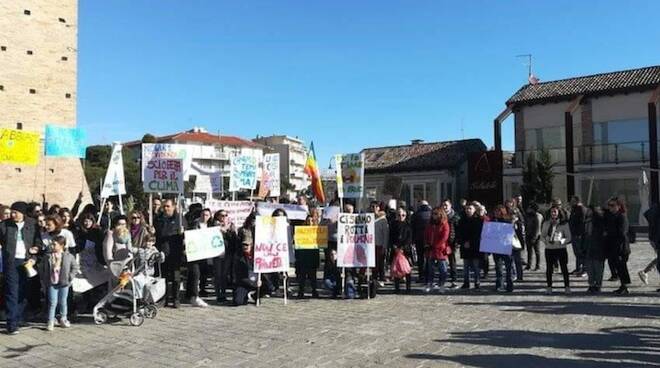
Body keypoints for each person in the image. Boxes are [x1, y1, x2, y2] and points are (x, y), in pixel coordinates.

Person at [0, 202, 43, 335]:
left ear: (22, 213)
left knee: (23, 292)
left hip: (27, 261)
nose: (13, 215)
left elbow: (38, 242)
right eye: (12, 212)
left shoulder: (32, 224)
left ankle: (17, 318)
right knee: (12, 291)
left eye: (15, 212)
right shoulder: (4, 225)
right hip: (11, 262)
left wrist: (36, 249)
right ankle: (12, 323)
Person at [38, 235, 78, 331]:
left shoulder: (68, 256)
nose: (52, 246)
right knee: (52, 302)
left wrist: (70, 277)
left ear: (62, 245)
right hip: (51, 282)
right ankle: (50, 320)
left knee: (63, 302)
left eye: (54, 244)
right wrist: (43, 278)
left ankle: (63, 318)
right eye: (52, 244)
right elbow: (42, 268)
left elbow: (75, 267)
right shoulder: (48, 256)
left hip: (64, 282)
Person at [154, 199, 184, 308]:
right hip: (163, 252)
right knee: (163, 277)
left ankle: (176, 299)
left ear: (174, 207)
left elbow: (187, 235)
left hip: (175, 252)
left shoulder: (179, 219)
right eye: (164, 206)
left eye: (168, 206)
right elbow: (157, 234)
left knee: (176, 277)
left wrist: (182, 232)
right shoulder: (159, 219)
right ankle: (164, 298)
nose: (166, 208)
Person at [541, 206, 572, 294]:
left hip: (560, 248)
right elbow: (542, 236)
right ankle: (549, 287)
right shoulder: (546, 223)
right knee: (549, 269)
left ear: (559, 213)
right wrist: (546, 241)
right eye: (552, 212)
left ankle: (567, 287)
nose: (553, 214)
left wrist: (561, 241)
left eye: (555, 212)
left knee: (564, 268)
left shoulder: (564, 224)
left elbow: (569, 237)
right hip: (549, 249)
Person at [185, 208, 211, 308]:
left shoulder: (211, 225)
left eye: (207, 215)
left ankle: (189, 294)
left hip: (205, 254)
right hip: (195, 254)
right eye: (203, 214)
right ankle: (194, 296)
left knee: (200, 274)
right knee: (195, 274)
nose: (205, 216)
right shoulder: (194, 224)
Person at [604, 197, 631, 294]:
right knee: (618, 267)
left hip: (621, 247)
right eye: (609, 205)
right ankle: (623, 285)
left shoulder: (621, 216)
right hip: (613, 247)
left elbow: (622, 233)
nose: (610, 207)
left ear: (619, 206)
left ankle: (625, 286)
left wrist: (609, 233)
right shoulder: (611, 216)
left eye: (612, 205)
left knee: (622, 267)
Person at [212, 209, 239, 303]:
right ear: (217, 216)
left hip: (228, 253)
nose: (224, 217)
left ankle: (223, 293)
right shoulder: (214, 225)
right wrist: (222, 228)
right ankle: (218, 294)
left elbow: (235, 238)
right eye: (221, 215)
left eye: (226, 215)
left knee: (224, 275)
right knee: (218, 274)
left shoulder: (231, 226)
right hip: (218, 253)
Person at [424, 207, 450, 293]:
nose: (434, 216)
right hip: (430, 250)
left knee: (442, 269)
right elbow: (426, 234)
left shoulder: (444, 224)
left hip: (440, 250)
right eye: (433, 214)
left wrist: (435, 245)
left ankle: (441, 285)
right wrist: (427, 244)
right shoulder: (430, 224)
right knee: (430, 269)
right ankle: (429, 283)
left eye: (436, 214)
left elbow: (444, 237)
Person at [457, 202, 483, 289]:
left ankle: (477, 282)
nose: (468, 210)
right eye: (467, 208)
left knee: (476, 266)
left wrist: (470, 242)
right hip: (465, 246)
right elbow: (459, 233)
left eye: (470, 209)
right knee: (466, 266)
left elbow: (478, 234)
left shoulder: (478, 220)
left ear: (474, 210)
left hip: (475, 246)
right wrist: (463, 242)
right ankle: (466, 282)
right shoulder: (462, 220)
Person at [296, 210, 320, 298]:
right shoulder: (301, 231)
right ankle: (301, 291)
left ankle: (314, 291)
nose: (310, 222)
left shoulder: (317, 231)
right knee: (302, 277)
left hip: (312, 256)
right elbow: (297, 245)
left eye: (311, 221)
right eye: (308, 221)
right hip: (303, 257)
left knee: (313, 277)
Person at [492, 205, 515, 292]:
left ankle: (509, 285)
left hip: (506, 247)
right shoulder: (492, 221)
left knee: (508, 267)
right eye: (495, 212)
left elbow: (511, 233)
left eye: (498, 211)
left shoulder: (507, 221)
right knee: (498, 267)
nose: (496, 213)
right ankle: (499, 284)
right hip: (496, 247)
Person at [390, 207, 413, 293]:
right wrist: (394, 247)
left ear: (405, 215)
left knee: (407, 269)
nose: (401, 217)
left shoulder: (408, 225)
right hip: (395, 249)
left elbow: (409, 238)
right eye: (398, 215)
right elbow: (391, 237)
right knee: (396, 269)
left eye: (403, 215)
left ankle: (408, 288)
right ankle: (397, 288)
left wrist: (403, 248)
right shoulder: (393, 225)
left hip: (405, 250)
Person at [585, 206, 606, 293]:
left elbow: (603, 236)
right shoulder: (587, 221)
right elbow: (585, 234)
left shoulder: (600, 222)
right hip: (589, 247)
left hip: (598, 248)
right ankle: (591, 284)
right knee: (590, 268)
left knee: (598, 268)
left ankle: (598, 284)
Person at [639, 203, 660, 287]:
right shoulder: (656, 212)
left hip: (655, 238)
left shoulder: (655, 210)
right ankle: (644, 272)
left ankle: (644, 272)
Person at [411, 200, 432, 282]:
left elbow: (412, 227)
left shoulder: (416, 214)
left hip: (419, 239)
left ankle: (421, 276)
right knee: (429, 258)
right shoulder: (431, 214)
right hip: (429, 239)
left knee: (420, 258)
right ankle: (429, 276)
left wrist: (412, 240)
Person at [505, 199, 525, 281]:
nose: (512, 216)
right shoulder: (507, 223)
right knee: (510, 261)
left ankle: (520, 276)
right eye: (511, 214)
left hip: (517, 243)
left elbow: (522, 234)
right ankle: (513, 274)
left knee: (518, 260)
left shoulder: (519, 224)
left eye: (514, 214)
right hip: (509, 243)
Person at [442, 200, 460, 286]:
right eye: (443, 205)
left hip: (451, 242)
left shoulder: (455, 216)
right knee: (441, 260)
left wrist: (456, 241)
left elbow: (458, 230)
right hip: (442, 241)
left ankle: (454, 277)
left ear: (450, 206)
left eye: (446, 205)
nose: (445, 207)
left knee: (452, 260)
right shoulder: (441, 216)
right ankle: (442, 277)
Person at [569, 196, 588, 277]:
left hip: (579, 235)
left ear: (577, 201)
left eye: (572, 201)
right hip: (574, 234)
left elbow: (582, 222)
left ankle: (584, 269)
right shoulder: (574, 209)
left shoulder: (581, 209)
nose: (571, 202)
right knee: (577, 253)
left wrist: (580, 234)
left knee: (581, 252)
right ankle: (578, 268)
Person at [371, 201, 389, 286]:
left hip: (380, 244)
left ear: (379, 208)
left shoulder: (383, 219)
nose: (374, 208)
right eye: (372, 206)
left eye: (376, 206)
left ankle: (381, 278)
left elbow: (386, 234)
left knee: (380, 262)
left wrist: (384, 246)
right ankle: (374, 278)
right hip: (371, 244)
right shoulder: (370, 218)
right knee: (373, 263)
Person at [524, 202, 543, 271]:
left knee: (537, 251)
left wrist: (534, 237)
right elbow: (526, 224)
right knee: (529, 251)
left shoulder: (537, 216)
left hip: (536, 236)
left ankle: (538, 265)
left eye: (529, 208)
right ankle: (529, 265)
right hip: (528, 234)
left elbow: (537, 228)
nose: (528, 209)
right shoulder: (528, 215)